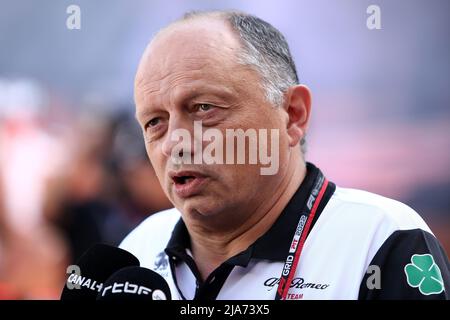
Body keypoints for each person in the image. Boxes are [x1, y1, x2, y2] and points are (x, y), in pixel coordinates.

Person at [119, 10, 450, 300]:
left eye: (204, 108)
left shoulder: (381, 240)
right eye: (154, 122)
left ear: (293, 114)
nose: (174, 143)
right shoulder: (137, 250)